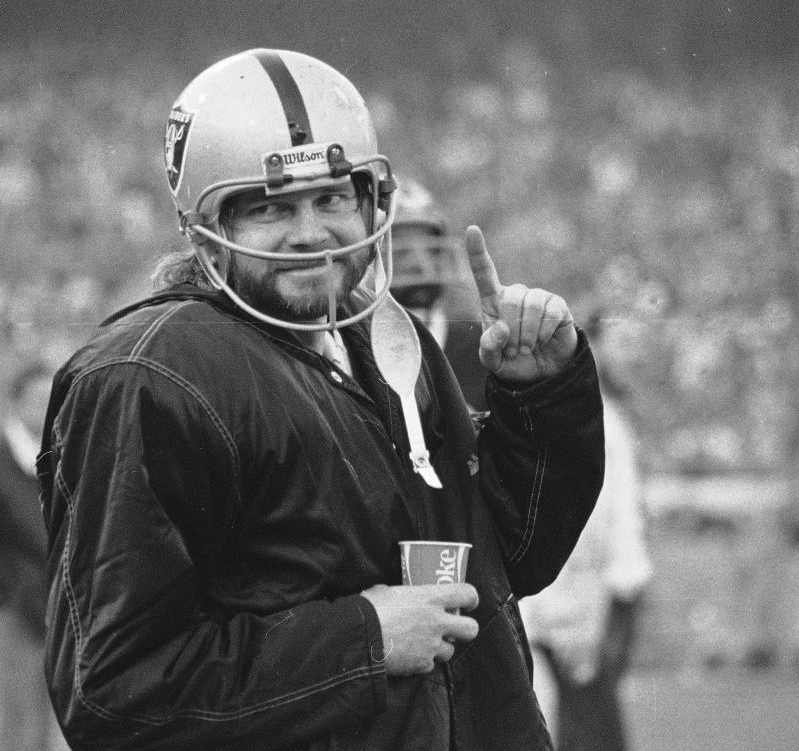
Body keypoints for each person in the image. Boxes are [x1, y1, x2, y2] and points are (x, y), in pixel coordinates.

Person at [39, 48, 605, 751]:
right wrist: (362, 641)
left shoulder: (384, 337)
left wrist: (539, 398)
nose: (311, 232)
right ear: (208, 224)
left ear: (370, 200)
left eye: (331, 198)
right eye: (271, 206)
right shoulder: (152, 375)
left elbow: (506, 559)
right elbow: (116, 693)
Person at [519, 310, 653, 751]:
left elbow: (624, 519)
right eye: (622, 342)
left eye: (638, 345)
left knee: (592, 724)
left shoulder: (612, 417)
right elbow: (582, 525)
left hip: (612, 598)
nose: (632, 356)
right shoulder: (587, 418)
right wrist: (577, 619)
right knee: (583, 727)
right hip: (583, 607)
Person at [0, 361, 68, 751]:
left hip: (61, 616)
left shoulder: (64, 459)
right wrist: (4, 596)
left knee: (59, 733)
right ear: (16, 403)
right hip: (14, 618)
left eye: (52, 400)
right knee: (17, 732)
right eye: (37, 400)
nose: (46, 410)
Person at [388, 177, 487, 412]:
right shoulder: (350, 349)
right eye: (400, 249)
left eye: (430, 249)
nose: (419, 266)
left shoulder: (482, 345)